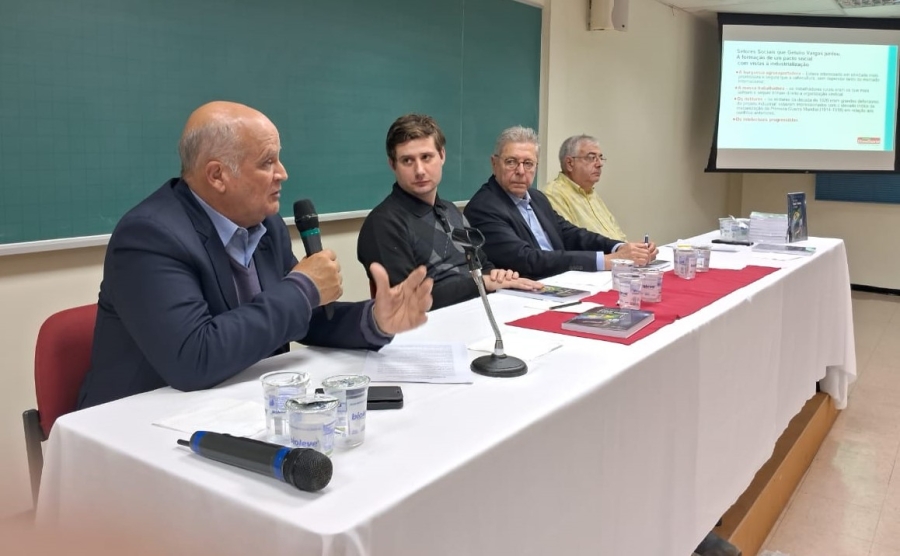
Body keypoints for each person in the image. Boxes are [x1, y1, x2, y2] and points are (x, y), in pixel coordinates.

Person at [78, 101, 433, 409]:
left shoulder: (265, 224)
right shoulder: (150, 236)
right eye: (267, 162)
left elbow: (302, 317)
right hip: (139, 424)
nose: (283, 173)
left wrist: (375, 320)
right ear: (217, 175)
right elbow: (193, 357)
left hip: (238, 402)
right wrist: (302, 288)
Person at [357, 114, 541, 311]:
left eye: (426, 157)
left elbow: (483, 266)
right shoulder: (383, 224)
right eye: (407, 161)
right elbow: (407, 301)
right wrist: (482, 283)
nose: (419, 170)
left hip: (478, 311)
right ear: (393, 165)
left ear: (442, 156)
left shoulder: (451, 211)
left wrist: (497, 276)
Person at [463, 126, 657, 280]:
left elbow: (571, 234)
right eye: (512, 162)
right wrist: (606, 261)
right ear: (494, 164)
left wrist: (621, 248)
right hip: (529, 292)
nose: (521, 171)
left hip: (563, 282)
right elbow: (527, 259)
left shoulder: (537, 198)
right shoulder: (484, 207)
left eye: (528, 163)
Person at [543, 134, 627, 240]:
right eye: (592, 158)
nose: (599, 164)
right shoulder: (554, 194)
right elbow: (571, 241)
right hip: (601, 256)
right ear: (569, 163)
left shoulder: (592, 195)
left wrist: (634, 249)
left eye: (600, 158)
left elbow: (618, 235)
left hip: (619, 254)